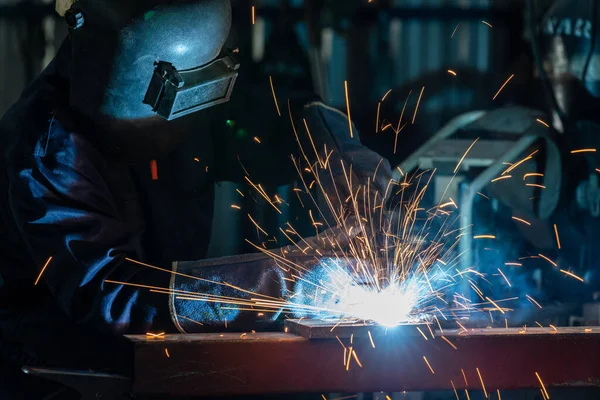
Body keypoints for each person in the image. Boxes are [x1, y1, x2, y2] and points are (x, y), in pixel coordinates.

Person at [0, 0, 391, 397]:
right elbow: (112, 296)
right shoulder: (48, 154)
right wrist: (283, 281)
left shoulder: (195, 93)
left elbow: (278, 125)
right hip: (63, 378)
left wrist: (340, 158)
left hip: (166, 362)